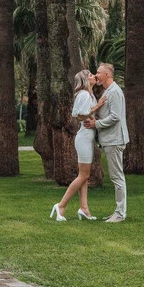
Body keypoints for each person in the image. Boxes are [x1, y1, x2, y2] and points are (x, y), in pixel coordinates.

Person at [50, 70, 107, 222]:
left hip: (87, 138)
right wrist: (97, 106)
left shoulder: (89, 95)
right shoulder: (84, 94)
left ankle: (84, 208)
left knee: (84, 177)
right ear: (85, 80)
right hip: (83, 138)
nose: (94, 76)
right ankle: (61, 205)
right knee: (84, 176)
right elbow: (80, 115)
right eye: (90, 75)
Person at [83, 62, 129, 223]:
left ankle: (120, 213)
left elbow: (115, 117)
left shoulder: (114, 92)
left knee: (117, 177)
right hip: (110, 139)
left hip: (115, 139)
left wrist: (96, 124)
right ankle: (118, 211)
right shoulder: (108, 91)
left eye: (98, 72)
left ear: (107, 75)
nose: (96, 75)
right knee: (116, 176)